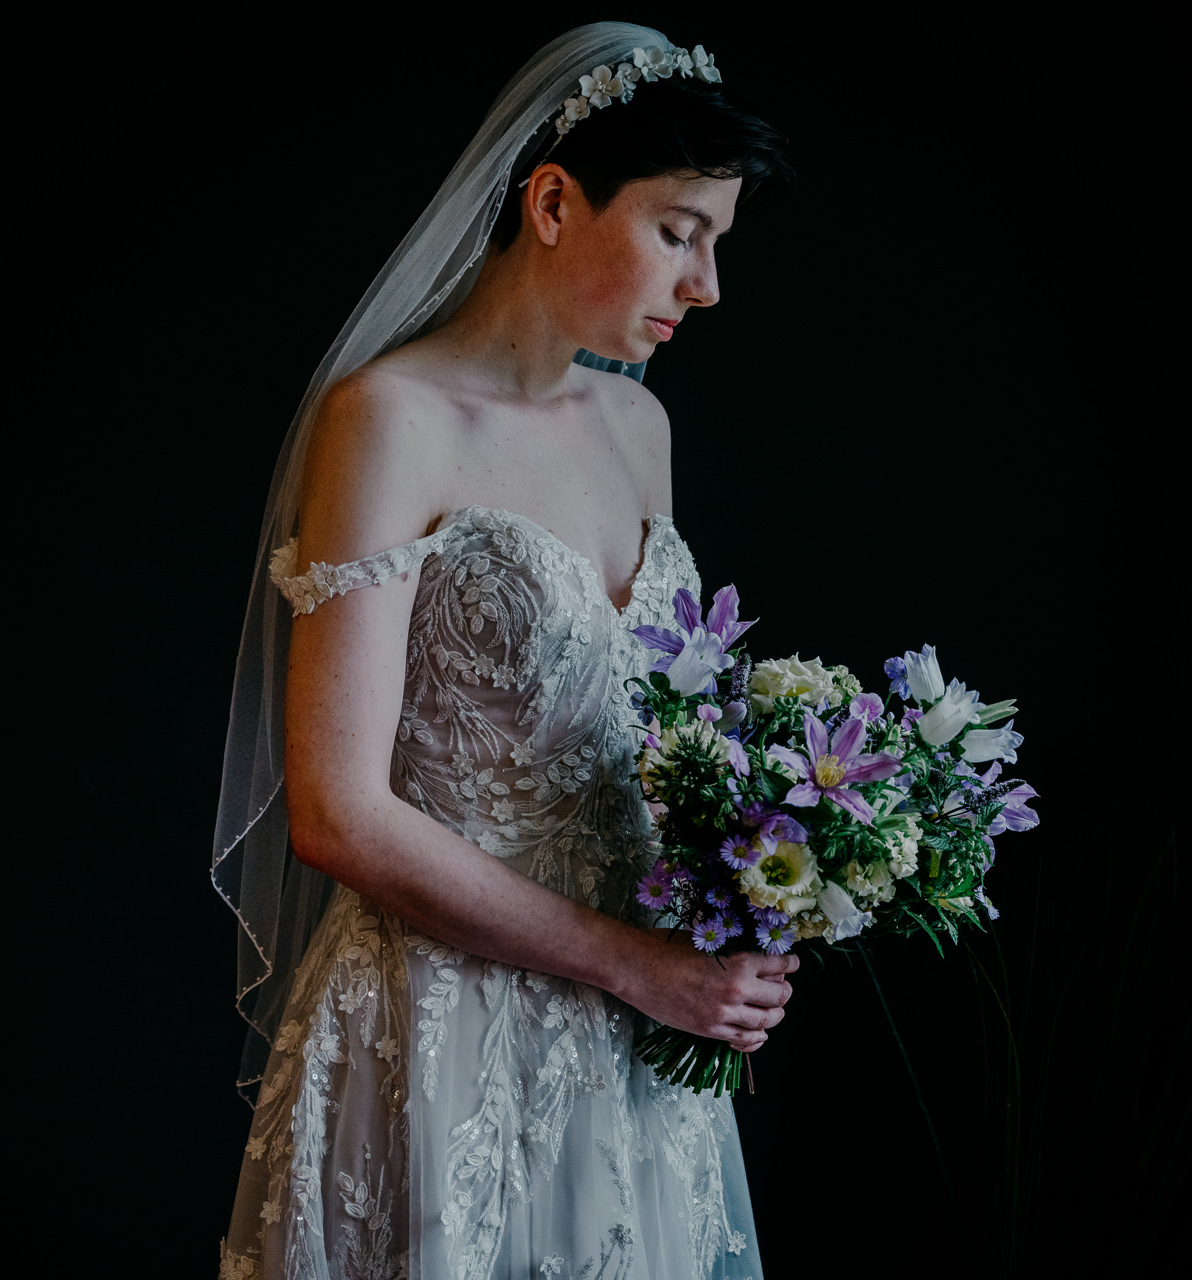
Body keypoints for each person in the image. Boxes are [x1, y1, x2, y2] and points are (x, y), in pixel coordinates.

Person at [214, 24, 793, 1279]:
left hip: (640, 1051)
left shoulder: (641, 426)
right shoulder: (388, 422)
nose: (705, 286)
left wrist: (769, 872)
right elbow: (337, 812)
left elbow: (644, 733)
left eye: (718, 244)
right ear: (550, 202)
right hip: (439, 1035)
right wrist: (640, 964)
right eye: (678, 231)